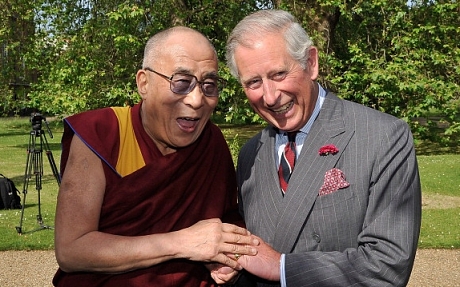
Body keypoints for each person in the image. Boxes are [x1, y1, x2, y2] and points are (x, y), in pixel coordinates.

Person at [225, 9, 422, 286]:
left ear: (311, 63)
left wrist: (282, 268)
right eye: (253, 82)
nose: (269, 97)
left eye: (279, 73)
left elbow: (388, 265)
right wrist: (231, 266)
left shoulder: (382, 137)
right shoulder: (250, 153)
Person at [53, 26, 259, 287]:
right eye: (182, 83)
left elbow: (226, 218)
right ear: (144, 83)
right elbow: (72, 250)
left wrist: (229, 255)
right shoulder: (102, 135)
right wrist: (182, 243)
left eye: (209, 85)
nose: (197, 100)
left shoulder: (211, 142)